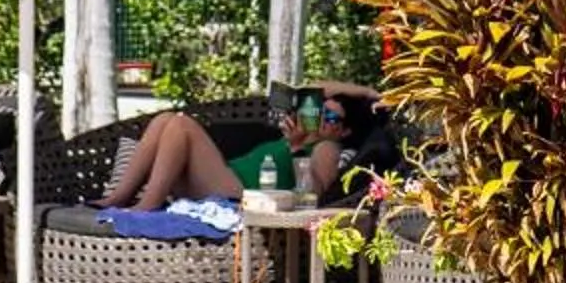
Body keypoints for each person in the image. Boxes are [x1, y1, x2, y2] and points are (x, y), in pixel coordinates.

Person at [98, 82, 382, 212]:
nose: (322, 118)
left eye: (332, 117)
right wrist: (366, 92)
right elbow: (311, 87)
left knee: (181, 125)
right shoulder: (296, 133)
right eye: (321, 111)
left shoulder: (327, 147)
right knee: (164, 120)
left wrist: (296, 148)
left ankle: (147, 205)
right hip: (219, 181)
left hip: (239, 196)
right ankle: (118, 198)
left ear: (344, 130)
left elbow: (313, 194)